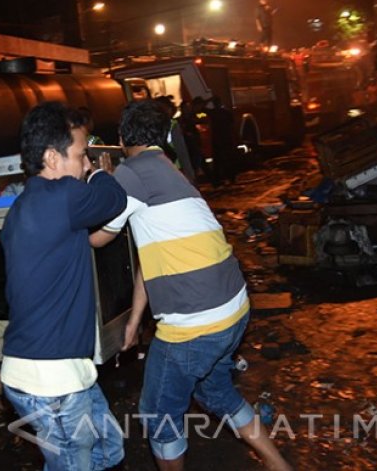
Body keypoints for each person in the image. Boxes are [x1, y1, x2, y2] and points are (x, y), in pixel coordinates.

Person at [90, 101, 292, 471]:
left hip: (195, 326)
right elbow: (152, 262)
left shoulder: (132, 173)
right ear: (164, 136)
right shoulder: (171, 169)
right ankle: (281, 466)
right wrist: (135, 322)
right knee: (217, 393)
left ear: (121, 138)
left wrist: (95, 183)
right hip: (234, 310)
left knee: (158, 416)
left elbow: (97, 239)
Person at [0, 101, 127, 470]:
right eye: (81, 155)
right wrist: (102, 172)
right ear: (53, 158)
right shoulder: (62, 198)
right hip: (49, 381)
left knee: (109, 448)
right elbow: (113, 198)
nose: (85, 163)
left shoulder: (27, 206)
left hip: (61, 371)